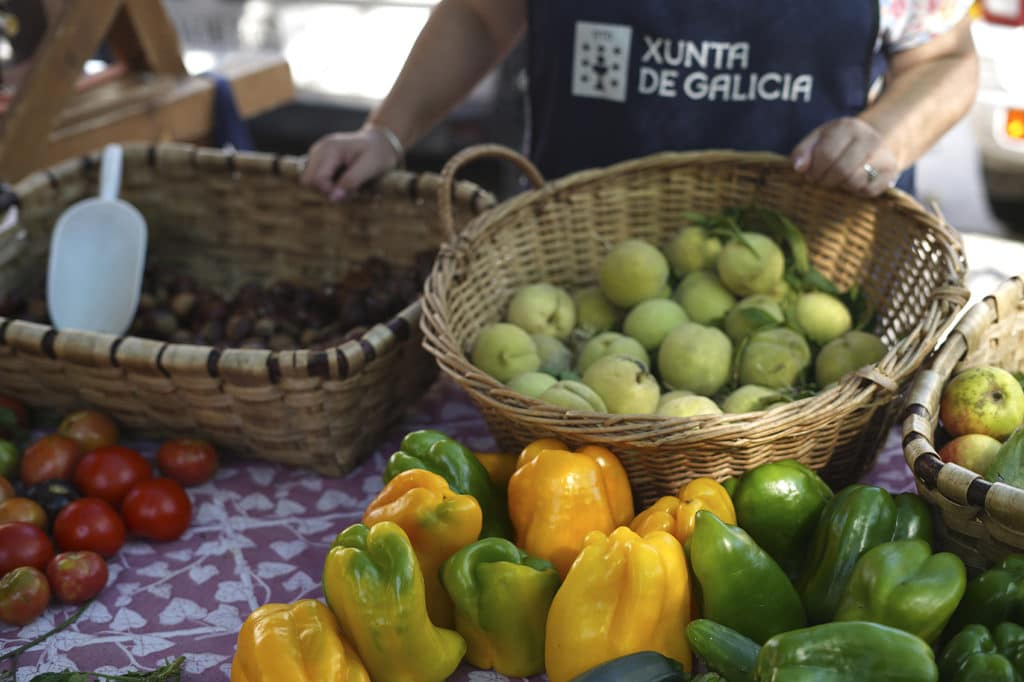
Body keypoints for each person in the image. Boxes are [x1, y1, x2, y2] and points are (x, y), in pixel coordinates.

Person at [301, 0, 978, 201]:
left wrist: (882, 135)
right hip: (577, 288)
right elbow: (480, 16)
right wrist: (386, 134)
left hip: (811, 293)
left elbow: (945, 58)